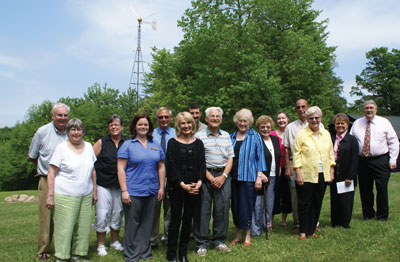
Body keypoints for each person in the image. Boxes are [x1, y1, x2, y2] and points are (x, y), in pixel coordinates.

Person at [46, 118, 97, 261]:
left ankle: (78, 254)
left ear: (83, 131)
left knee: (83, 227)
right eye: (73, 129)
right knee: (65, 227)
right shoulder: (61, 148)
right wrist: (50, 196)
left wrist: (94, 191)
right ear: (68, 132)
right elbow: (51, 172)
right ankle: (61, 256)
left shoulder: (88, 146)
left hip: (85, 194)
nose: (76, 132)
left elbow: (92, 171)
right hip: (65, 194)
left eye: (79, 129)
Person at [117, 113, 166, 262]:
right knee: (132, 224)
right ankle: (131, 254)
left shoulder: (155, 146)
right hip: (133, 191)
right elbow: (120, 169)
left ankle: (145, 252)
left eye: (146, 124)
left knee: (147, 223)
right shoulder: (128, 145)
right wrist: (124, 190)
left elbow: (161, 167)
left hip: (151, 190)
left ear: (149, 127)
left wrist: (161, 187)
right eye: (140, 124)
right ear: (135, 127)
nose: (143, 127)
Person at [28, 103, 69, 261]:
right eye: (59, 115)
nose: (62, 118)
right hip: (46, 178)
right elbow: (32, 156)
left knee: (64, 216)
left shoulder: (71, 132)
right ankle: (44, 250)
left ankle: (64, 247)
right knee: (46, 217)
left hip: (65, 180)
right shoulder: (42, 132)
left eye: (65, 115)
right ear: (53, 116)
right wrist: (46, 168)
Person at [194, 107, 234, 257]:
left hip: (223, 176)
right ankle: (202, 243)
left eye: (218, 116)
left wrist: (223, 176)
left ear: (221, 119)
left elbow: (230, 158)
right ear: (206, 119)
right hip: (205, 177)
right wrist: (210, 178)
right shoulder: (199, 136)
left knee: (222, 210)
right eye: (212, 116)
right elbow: (198, 161)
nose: (215, 118)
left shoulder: (226, 135)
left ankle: (219, 241)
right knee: (202, 211)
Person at [350, 100, 399, 221]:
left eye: (371, 108)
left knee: (381, 189)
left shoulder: (384, 122)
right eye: (366, 108)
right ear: (363, 110)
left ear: (376, 110)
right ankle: (368, 214)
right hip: (362, 161)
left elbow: (394, 142)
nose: (369, 110)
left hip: (380, 160)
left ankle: (382, 216)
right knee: (365, 190)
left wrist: (393, 159)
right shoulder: (357, 123)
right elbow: (351, 141)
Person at [166, 112, 205, 262]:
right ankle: (171, 254)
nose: (186, 126)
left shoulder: (198, 143)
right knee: (175, 219)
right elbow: (172, 166)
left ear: (193, 124)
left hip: (195, 187)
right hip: (177, 187)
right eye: (183, 123)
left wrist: (200, 182)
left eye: (189, 123)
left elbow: (202, 165)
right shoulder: (172, 143)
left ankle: (183, 253)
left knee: (188, 220)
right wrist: (182, 185)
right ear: (178, 125)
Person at [292, 106, 335, 240]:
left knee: (317, 202)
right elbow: (296, 154)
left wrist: (331, 170)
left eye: (316, 117)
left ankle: (312, 229)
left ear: (320, 118)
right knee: (305, 203)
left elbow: (330, 153)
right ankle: (303, 231)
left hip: (323, 173)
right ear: (307, 119)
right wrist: (298, 173)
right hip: (306, 174)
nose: (314, 120)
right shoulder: (301, 134)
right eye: (311, 118)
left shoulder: (326, 134)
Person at [229, 109, 267, 247]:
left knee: (247, 206)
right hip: (233, 178)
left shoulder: (255, 136)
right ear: (236, 121)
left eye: (245, 121)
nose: (242, 123)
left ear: (249, 122)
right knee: (236, 207)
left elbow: (260, 157)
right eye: (240, 121)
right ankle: (238, 235)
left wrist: (259, 177)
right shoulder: (231, 136)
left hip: (249, 177)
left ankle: (247, 237)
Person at [92, 114, 125, 256]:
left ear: (121, 127)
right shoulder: (101, 142)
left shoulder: (126, 143)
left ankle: (114, 241)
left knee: (117, 214)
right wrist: (93, 188)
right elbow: (90, 163)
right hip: (102, 184)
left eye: (116, 124)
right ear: (108, 127)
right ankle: (100, 245)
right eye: (111, 124)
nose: (114, 127)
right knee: (102, 214)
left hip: (119, 186)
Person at [251, 115, 281, 236]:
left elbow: (277, 156)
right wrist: (259, 175)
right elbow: (252, 160)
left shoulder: (274, 139)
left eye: (267, 127)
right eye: (262, 127)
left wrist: (278, 169)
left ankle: (266, 226)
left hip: (273, 177)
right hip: (260, 177)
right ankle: (255, 230)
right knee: (257, 205)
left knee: (269, 205)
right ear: (258, 128)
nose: (265, 129)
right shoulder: (255, 140)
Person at [151, 107, 176, 247]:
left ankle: (168, 237)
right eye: (161, 117)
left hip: (172, 176)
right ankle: (152, 239)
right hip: (154, 176)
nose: (164, 119)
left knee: (170, 209)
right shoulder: (151, 134)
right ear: (157, 119)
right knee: (154, 209)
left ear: (170, 118)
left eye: (166, 117)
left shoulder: (176, 133)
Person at [282, 99, 309, 232]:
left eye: (303, 106)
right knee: (295, 194)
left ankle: (313, 222)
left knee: (311, 193)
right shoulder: (290, 127)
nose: (301, 109)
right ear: (295, 110)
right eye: (298, 107)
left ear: (307, 107)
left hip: (311, 163)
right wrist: (288, 167)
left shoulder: (316, 124)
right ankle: (297, 223)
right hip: (294, 162)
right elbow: (286, 148)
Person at [330, 113, 359, 228]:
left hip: (347, 172)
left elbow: (354, 159)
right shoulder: (331, 138)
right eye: (337, 123)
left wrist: (350, 177)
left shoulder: (352, 140)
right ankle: (335, 222)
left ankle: (345, 222)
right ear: (334, 125)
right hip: (334, 172)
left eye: (342, 123)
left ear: (347, 125)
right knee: (335, 198)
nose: (340, 125)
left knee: (346, 199)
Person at [270, 111, 292, 228]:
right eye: (279, 119)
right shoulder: (272, 134)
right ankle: (271, 220)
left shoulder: (291, 133)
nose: (281, 120)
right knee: (275, 194)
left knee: (287, 194)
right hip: (275, 169)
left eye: (283, 118)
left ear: (288, 119)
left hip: (289, 168)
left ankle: (284, 220)